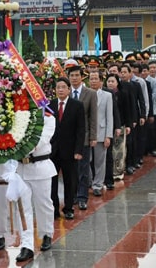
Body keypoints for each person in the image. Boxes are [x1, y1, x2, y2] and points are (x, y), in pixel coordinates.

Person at [15, 111, 57, 262]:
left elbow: (40, 141)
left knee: (43, 204)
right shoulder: (15, 114)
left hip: (40, 166)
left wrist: (17, 147)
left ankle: (46, 234)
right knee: (22, 208)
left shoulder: (47, 117)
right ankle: (26, 245)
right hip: (20, 169)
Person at [50, 77, 85, 220]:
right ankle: (54, 209)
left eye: (63, 87)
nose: (60, 90)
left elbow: (80, 130)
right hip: (52, 151)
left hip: (70, 151)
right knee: (52, 181)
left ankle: (69, 208)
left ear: (69, 89)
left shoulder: (77, 105)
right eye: (58, 87)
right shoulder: (50, 105)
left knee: (70, 181)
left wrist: (78, 150)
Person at [67, 64, 97, 211]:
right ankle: (71, 195)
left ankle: (82, 197)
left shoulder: (90, 93)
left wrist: (93, 136)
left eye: (77, 75)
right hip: (68, 139)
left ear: (81, 76)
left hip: (84, 137)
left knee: (83, 169)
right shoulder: (64, 92)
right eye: (71, 76)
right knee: (70, 169)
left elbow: (93, 117)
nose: (74, 78)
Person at [88, 71, 114, 196]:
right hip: (87, 133)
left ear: (101, 81)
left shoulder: (107, 96)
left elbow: (109, 116)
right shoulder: (85, 94)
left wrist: (108, 135)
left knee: (100, 161)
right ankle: (88, 181)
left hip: (101, 132)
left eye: (95, 78)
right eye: (91, 79)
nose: (93, 81)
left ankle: (97, 185)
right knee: (86, 160)